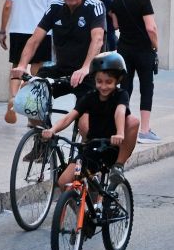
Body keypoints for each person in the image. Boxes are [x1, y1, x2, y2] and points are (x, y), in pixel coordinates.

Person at [11, 0, 107, 102]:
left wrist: (85, 68)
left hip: (89, 72)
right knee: (31, 93)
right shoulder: (55, 7)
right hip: (62, 69)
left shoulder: (95, 6)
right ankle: (37, 121)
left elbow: (97, 40)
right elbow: (34, 40)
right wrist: (22, 65)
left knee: (84, 123)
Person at [42, 52, 138, 184]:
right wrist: (53, 130)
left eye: (109, 82)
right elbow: (70, 116)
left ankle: (118, 167)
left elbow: (120, 111)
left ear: (118, 80)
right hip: (92, 149)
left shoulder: (121, 95)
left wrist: (120, 133)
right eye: (99, 81)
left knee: (133, 121)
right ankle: (88, 193)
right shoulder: (89, 97)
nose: (103, 86)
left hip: (112, 146)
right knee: (63, 182)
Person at [0, 0, 59, 123]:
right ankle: (31, 109)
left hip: (18, 29)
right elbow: (54, 8)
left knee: (17, 65)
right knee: (36, 70)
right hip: (40, 31)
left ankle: (13, 97)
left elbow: (8, 5)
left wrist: (3, 30)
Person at [110, 0, 161, 143]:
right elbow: (151, 28)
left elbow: (115, 24)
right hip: (143, 50)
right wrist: (155, 45)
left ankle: (122, 127)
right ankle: (145, 130)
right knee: (147, 86)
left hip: (124, 48)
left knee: (125, 87)